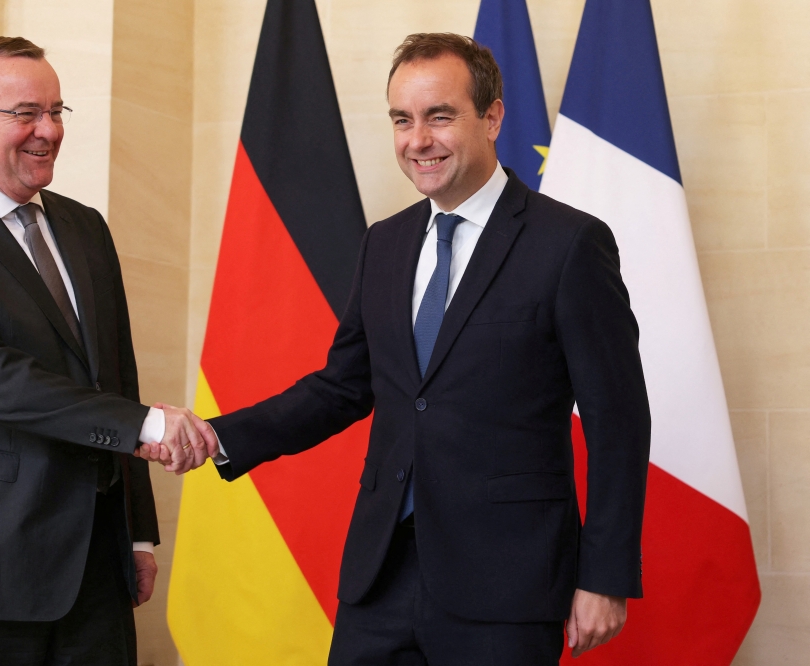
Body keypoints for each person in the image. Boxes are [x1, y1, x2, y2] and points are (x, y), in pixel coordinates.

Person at [157, 33, 651, 665]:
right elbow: (343, 386)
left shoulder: (569, 245)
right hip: (380, 575)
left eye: (440, 117)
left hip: (506, 583)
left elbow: (618, 421)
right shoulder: (383, 244)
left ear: (493, 116)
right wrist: (221, 436)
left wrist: (604, 574)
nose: (419, 140)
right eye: (402, 120)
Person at [0, 36, 215, 666]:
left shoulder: (84, 227)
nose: (48, 130)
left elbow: (115, 375)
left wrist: (136, 533)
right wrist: (148, 426)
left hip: (93, 572)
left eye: (56, 112)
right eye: (26, 113)